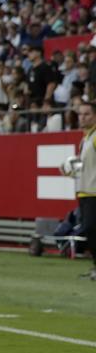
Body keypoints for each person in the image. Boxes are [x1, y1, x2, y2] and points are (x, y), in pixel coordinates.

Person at [69, 102, 96, 280]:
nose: (82, 117)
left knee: (91, 228)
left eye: (86, 114)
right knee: (89, 230)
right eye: (80, 114)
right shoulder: (85, 138)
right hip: (85, 191)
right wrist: (71, 169)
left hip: (93, 192)